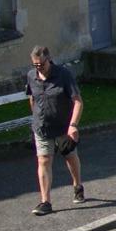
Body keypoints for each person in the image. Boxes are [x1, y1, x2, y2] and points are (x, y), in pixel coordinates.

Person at [25, 45, 84, 216]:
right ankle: (46, 202)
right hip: (42, 127)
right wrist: (37, 116)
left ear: (48, 59)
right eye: (35, 65)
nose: (38, 68)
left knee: (70, 157)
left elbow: (78, 101)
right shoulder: (31, 76)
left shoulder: (63, 75)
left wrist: (73, 125)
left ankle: (77, 185)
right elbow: (32, 98)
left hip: (63, 127)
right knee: (43, 160)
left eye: (41, 64)